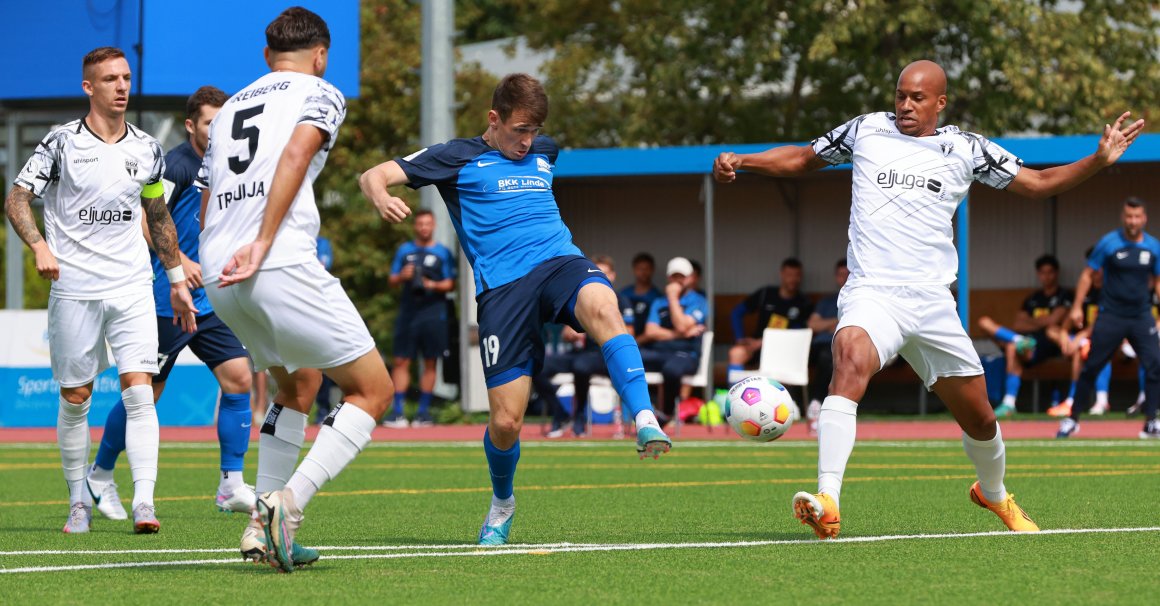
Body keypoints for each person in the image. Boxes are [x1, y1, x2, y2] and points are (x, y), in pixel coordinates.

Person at [713, 59, 1143, 538]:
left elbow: (1038, 184)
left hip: (933, 302)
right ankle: (828, 500)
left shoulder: (966, 148)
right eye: (900, 95)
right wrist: (742, 160)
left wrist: (1099, 161)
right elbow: (801, 158)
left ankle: (995, 495)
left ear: (940, 102)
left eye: (917, 98)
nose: (905, 106)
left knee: (980, 418)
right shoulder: (865, 131)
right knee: (849, 357)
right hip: (872, 291)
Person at [359, 73, 671, 547]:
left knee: (605, 304)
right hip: (504, 292)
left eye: (534, 130)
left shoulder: (547, 150)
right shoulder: (455, 157)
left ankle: (644, 417)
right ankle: (502, 502)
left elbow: (542, 150)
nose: (527, 142)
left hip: (560, 262)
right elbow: (373, 174)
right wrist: (381, 195)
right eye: (519, 129)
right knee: (506, 422)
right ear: (494, 119)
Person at [197, 7, 393, 572]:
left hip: (221, 272)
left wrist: (219, 260)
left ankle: (258, 529)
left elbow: (209, 193)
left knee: (297, 386)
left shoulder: (232, 103)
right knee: (372, 392)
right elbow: (296, 153)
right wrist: (261, 241)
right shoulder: (321, 91)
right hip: (273, 261)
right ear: (321, 54)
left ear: (266, 56)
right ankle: (289, 504)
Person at [5, 46, 197, 534]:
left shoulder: (148, 149)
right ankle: (78, 502)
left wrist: (176, 281)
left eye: (126, 77)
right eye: (110, 78)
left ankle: (145, 504)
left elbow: (158, 218)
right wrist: (38, 244)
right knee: (77, 397)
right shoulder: (61, 142)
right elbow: (17, 197)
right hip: (74, 290)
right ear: (88, 86)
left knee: (139, 391)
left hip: (132, 286)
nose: (121, 86)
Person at [84, 86, 257, 522]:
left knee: (239, 379)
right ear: (190, 125)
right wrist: (179, 261)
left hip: (212, 299)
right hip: (166, 299)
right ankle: (100, 473)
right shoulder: (177, 165)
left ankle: (230, 484)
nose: (217, 131)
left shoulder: (230, 163)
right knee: (147, 394)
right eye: (208, 123)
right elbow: (146, 217)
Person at [1058, 197, 1160, 439]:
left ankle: (1152, 421)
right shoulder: (1108, 242)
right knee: (1091, 366)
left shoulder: (1153, 247)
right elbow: (1086, 275)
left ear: (1144, 218)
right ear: (1123, 218)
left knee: (1155, 364)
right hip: (1111, 315)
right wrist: (1076, 307)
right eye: (1129, 216)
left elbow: (1157, 280)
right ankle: (1072, 420)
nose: (1133, 221)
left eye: (1137, 217)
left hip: (1141, 316)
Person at [383, 209, 457, 428]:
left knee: (430, 362)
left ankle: (423, 413)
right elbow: (392, 280)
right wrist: (402, 276)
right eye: (420, 224)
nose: (424, 227)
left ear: (433, 226)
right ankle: (398, 412)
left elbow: (451, 283)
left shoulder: (443, 252)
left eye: (428, 223)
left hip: (434, 314)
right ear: (415, 226)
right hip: (408, 313)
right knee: (401, 360)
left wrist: (430, 284)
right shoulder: (405, 251)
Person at [976, 254, 1072, 416]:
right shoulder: (1033, 298)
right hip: (1026, 341)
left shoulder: (1064, 295)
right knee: (984, 322)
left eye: (1050, 272)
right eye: (1042, 272)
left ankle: (1009, 402)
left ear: (1056, 273)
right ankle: (1019, 340)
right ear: (1038, 274)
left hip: (1048, 345)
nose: (1046, 276)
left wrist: (1032, 320)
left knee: (1013, 347)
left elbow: (1054, 321)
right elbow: (1018, 324)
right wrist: (1042, 321)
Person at [727, 257, 812, 405]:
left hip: (783, 352)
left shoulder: (804, 303)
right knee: (736, 353)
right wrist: (740, 337)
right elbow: (736, 313)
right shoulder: (766, 294)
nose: (792, 279)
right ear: (781, 274)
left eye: (796, 275)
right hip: (756, 347)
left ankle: (783, 405)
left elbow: (797, 334)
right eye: (789, 274)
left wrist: (762, 342)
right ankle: (735, 403)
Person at [638, 257, 708, 422]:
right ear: (669, 278)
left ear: (690, 278)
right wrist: (679, 334)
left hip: (686, 353)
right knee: (628, 361)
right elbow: (651, 331)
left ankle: (666, 413)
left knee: (671, 370)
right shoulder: (658, 302)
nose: (678, 280)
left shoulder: (699, 301)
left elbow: (682, 325)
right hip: (659, 351)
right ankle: (635, 412)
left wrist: (672, 298)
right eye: (674, 276)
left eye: (682, 276)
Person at [1045, 248, 1112, 417]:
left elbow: (1104, 322)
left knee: (1092, 347)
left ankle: (1084, 400)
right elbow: (1068, 322)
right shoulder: (1085, 291)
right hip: (1080, 342)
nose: (1096, 272)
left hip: (1110, 339)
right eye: (1092, 268)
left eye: (1099, 268)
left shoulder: (1112, 290)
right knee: (1054, 332)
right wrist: (1064, 336)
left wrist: (1081, 337)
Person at [805, 258, 850, 432]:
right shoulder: (827, 301)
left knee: (829, 357)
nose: (844, 278)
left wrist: (829, 325)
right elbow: (812, 324)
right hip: (816, 345)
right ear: (836, 277)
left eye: (848, 274)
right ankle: (789, 403)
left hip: (839, 347)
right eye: (841, 274)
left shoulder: (858, 300)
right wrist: (836, 321)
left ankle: (817, 403)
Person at [619, 252, 662, 338]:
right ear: (634, 269)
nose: (643, 272)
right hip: (622, 338)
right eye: (640, 268)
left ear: (652, 270)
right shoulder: (623, 293)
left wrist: (637, 343)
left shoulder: (657, 297)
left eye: (647, 268)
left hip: (647, 344)